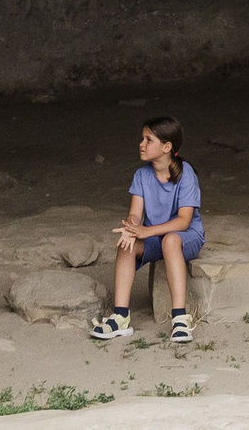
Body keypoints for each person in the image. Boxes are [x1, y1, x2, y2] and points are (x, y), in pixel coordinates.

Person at [90, 114, 203, 343]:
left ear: (166, 147)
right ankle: (121, 316)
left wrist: (146, 232)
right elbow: (135, 213)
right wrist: (131, 228)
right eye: (142, 139)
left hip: (186, 237)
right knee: (126, 244)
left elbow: (184, 221)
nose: (141, 144)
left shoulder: (186, 174)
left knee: (170, 240)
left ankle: (180, 318)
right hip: (155, 237)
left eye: (148, 140)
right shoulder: (141, 175)